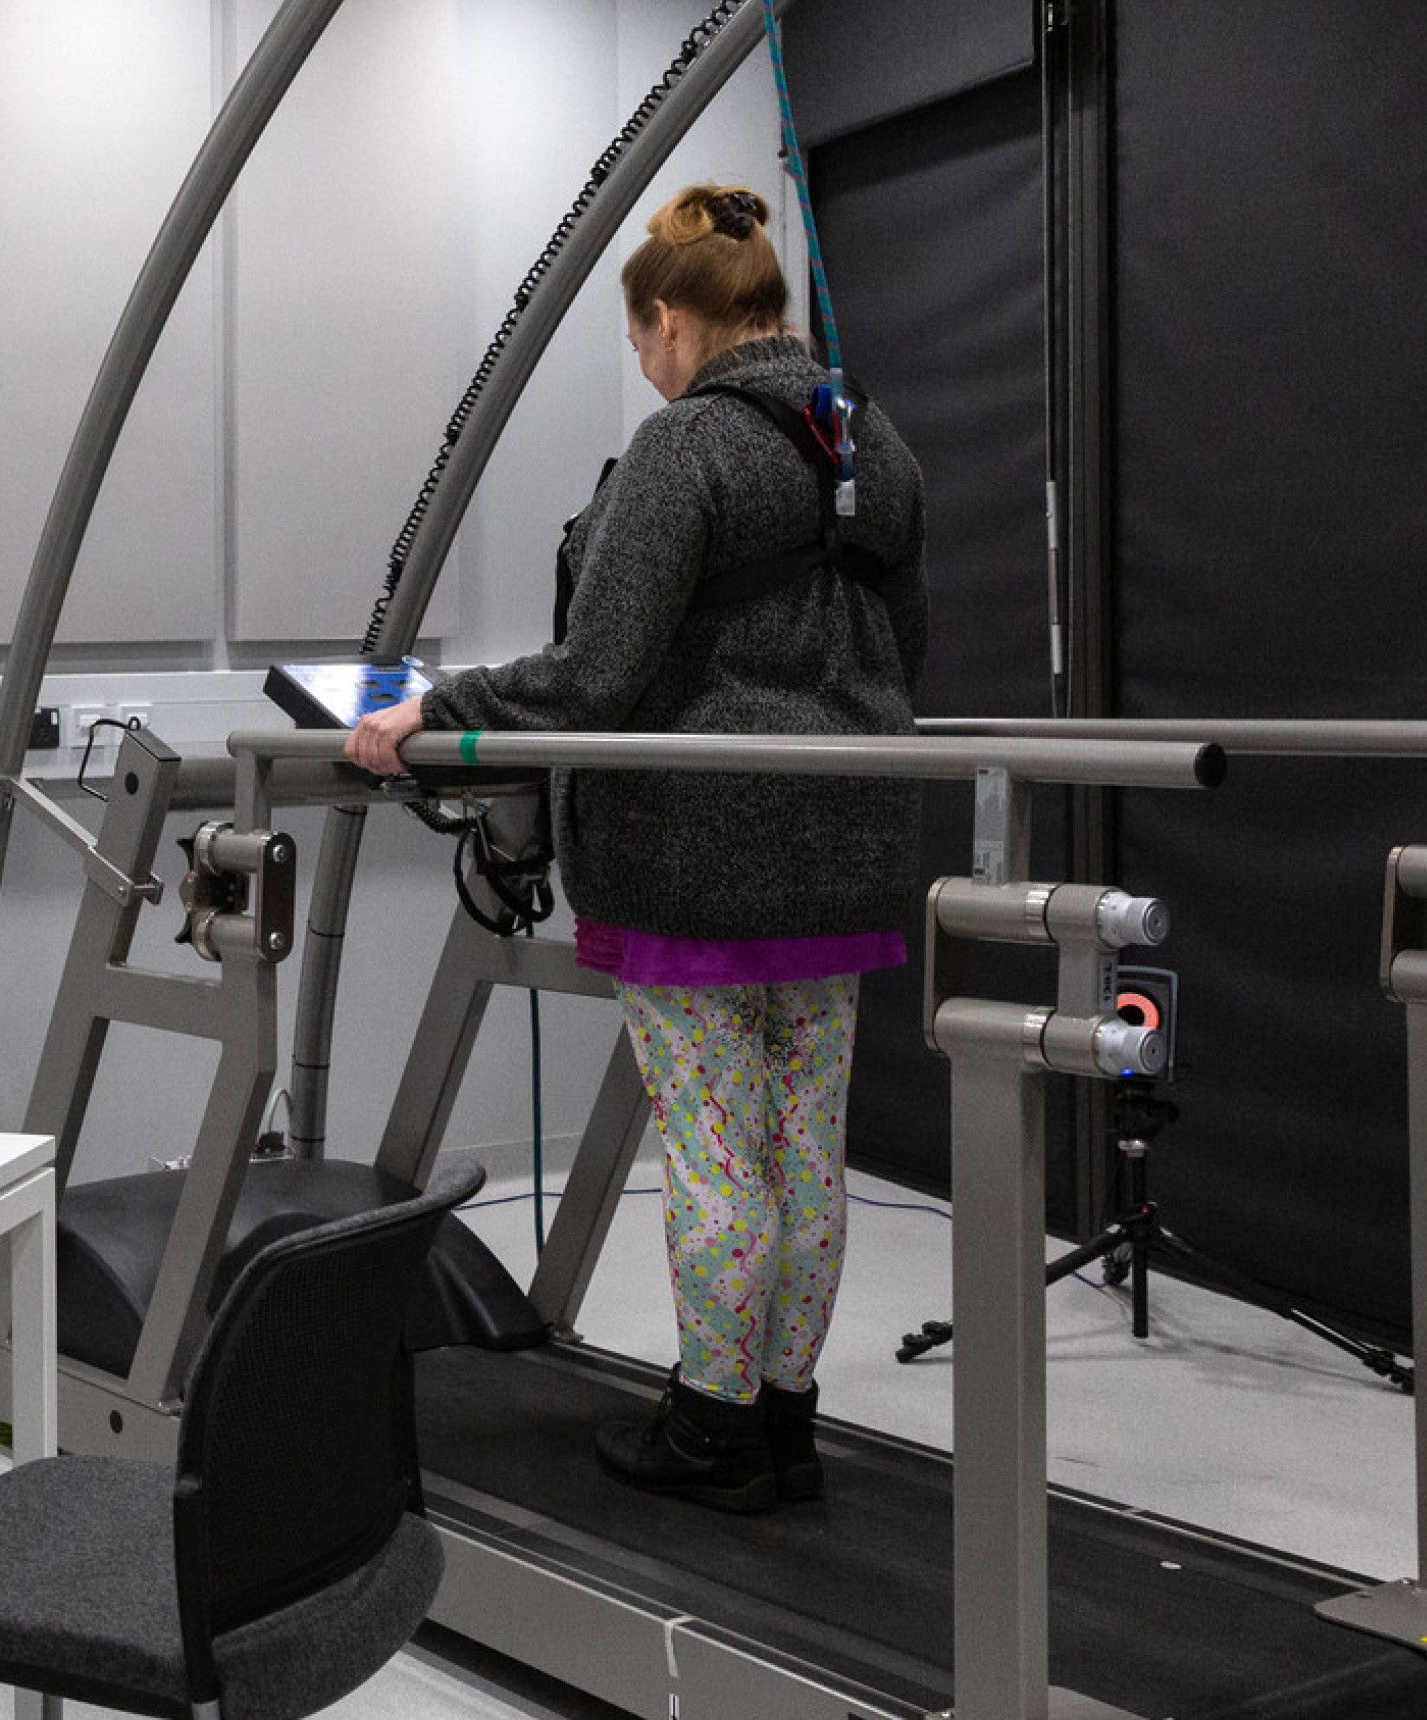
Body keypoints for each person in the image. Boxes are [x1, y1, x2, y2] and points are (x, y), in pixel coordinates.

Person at [346, 183, 925, 1516]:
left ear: (671, 320)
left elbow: (597, 673)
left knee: (720, 1156)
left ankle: (713, 1426)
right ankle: (785, 1420)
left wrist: (435, 715)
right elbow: (911, 653)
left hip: (696, 859)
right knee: (804, 1153)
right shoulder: (867, 441)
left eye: (640, 342)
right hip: (847, 848)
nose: (647, 366)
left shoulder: (685, 452)